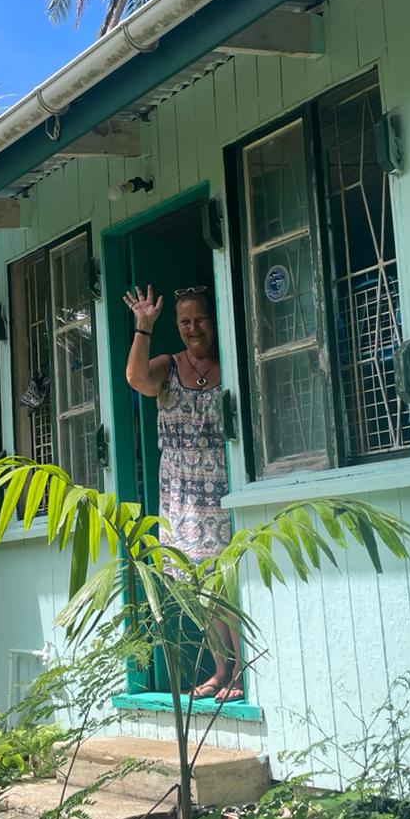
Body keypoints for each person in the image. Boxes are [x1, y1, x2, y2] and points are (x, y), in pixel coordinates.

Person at [122, 283, 241, 702]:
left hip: (224, 484)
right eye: (184, 321)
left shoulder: (233, 363)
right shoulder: (167, 367)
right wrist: (144, 327)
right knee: (199, 584)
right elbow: (135, 378)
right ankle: (221, 668)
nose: (193, 329)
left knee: (226, 581)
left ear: (215, 319)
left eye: (200, 319)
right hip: (181, 492)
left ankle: (241, 670)